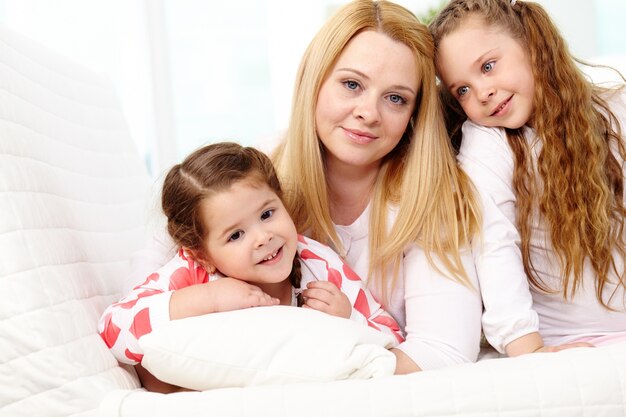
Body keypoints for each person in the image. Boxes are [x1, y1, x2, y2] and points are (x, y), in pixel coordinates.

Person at [125, 0, 492, 379]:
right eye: (351, 84)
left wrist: (333, 350)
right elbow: (150, 280)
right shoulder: (258, 172)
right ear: (314, 81)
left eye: (396, 98)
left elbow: (442, 353)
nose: (369, 112)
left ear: (414, 114)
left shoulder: (432, 200)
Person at [99, 142, 404, 393]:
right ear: (202, 253)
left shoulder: (317, 262)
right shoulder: (194, 272)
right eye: (236, 235)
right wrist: (210, 298)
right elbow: (113, 328)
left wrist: (347, 316)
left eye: (268, 213)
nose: (263, 237)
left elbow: (393, 336)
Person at [429, 0, 626, 349]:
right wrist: (527, 346)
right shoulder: (489, 143)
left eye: (488, 66)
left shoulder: (615, 109)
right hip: (569, 339)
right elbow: (494, 243)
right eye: (463, 90)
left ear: (531, 45)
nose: (482, 93)